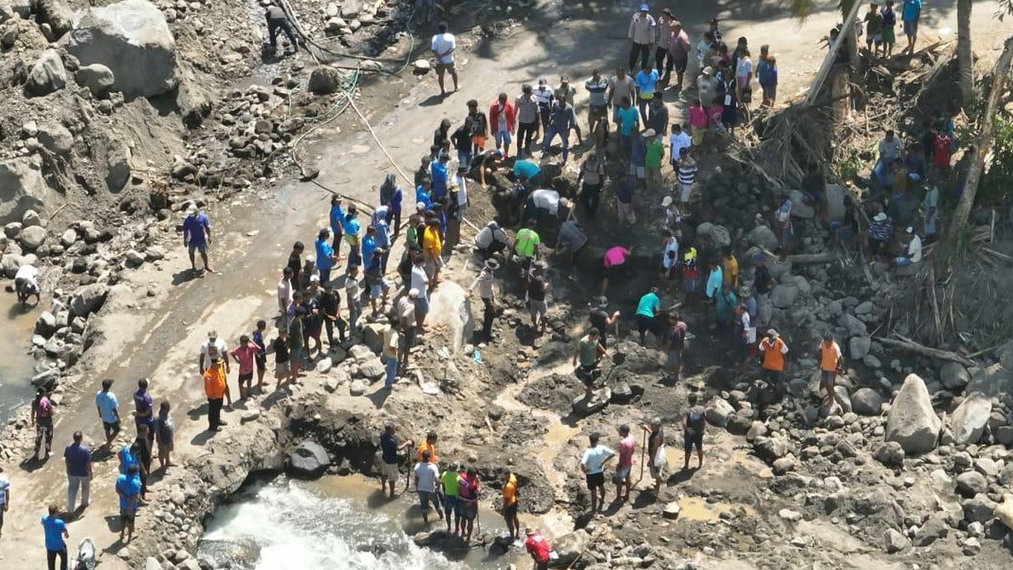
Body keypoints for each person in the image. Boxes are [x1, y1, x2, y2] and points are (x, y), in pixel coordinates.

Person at [580, 432, 615, 513]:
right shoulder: (601, 448)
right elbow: (613, 454)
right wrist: (603, 462)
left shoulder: (588, 451)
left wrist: (584, 471)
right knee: (601, 486)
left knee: (593, 491)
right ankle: (602, 500)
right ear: (597, 440)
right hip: (599, 471)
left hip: (591, 474)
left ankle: (593, 509)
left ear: (590, 441)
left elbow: (582, 464)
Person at [379, 425, 413, 499]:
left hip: (385, 459)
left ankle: (383, 488)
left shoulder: (382, 435)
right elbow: (399, 448)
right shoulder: (391, 441)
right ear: (388, 431)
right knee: (392, 479)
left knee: (384, 474)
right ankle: (391, 494)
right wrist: (407, 443)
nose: (394, 431)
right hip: (391, 462)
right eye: (392, 430)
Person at [542, 97, 580, 163]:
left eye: (562, 102)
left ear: (565, 101)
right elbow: (552, 114)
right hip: (554, 125)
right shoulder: (555, 104)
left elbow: (572, 120)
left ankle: (564, 158)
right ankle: (546, 152)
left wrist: (569, 130)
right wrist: (549, 123)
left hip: (563, 128)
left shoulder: (569, 108)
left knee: (565, 144)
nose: (560, 103)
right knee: (547, 139)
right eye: (560, 102)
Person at [469, 259, 499, 341]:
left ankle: (486, 329)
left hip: (490, 294)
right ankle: (486, 332)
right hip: (486, 295)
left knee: (489, 312)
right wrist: (470, 290)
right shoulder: (484, 273)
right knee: (493, 312)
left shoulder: (490, 272)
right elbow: (477, 280)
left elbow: (490, 282)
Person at [573, 329, 607, 399]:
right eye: (596, 337)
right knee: (589, 378)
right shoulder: (583, 342)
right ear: (591, 336)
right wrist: (574, 360)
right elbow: (576, 350)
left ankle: (589, 389)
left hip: (593, 361)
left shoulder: (595, 339)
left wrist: (605, 352)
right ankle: (589, 394)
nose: (597, 338)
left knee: (593, 376)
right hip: (585, 362)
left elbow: (598, 345)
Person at [64, 431, 91, 514]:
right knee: (85, 488)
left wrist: (68, 469)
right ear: (81, 439)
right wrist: (90, 473)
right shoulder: (85, 450)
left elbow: (67, 460)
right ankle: (84, 503)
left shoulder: (68, 448)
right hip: (83, 473)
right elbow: (88, 464)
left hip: (72, 472)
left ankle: (71, 508)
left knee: (72, 489)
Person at [414, 450, 443, 524]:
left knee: (423, 506)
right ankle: (442, 518)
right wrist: (438, 487)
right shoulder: (433, 466)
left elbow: (416, 478)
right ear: (429, 457)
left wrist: (417, 488)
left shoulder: (417, 466)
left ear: (422, 457)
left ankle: (426, 522)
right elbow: (437, 479)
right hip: (431, 490)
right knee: (437, 505)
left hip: (421, 489)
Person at [182, 204, 213, 273]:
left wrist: (209, 237)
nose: (191, 215)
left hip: (201, 239)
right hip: (191, 240)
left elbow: (207, 228)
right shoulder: (187, 220)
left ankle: (206, 266)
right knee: (191, 253)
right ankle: (193, 266)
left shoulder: (203, 218)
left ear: (196, 212)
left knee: (203, 253)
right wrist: (185, 240)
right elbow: (185, 231)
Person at [203, 356, 231, 432]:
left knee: (218, 409)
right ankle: (212, 426)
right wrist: (213, 397)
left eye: (220, 363)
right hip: (214, 397)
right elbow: (208, 389)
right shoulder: (208, 375)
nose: (220, 365)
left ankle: (217, 420)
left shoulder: (219, 368)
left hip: (220, 395)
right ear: (213, 364)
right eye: (218, 364)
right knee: (213, 411)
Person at [430, 22, 458, 95]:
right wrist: (443, 55)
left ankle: (442, 90)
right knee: (453, 72)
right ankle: (456, 88)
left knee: (440, 76)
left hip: (439, 61)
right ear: (446, 29)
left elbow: (433, 49)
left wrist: (439, 57)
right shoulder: (451, 36)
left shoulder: (435, 38)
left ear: (438, 29)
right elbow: (452, 49)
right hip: (449, 60)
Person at [115, 465, 141, 544]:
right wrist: (130, 505)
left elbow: (117, 489)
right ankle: (130, 536)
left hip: (123, 504)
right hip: (131, 506)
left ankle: (122, 533)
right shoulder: (136, 483)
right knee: (130, 521)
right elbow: (135, 496)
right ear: (135, 473)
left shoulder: (120, 478)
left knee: (123, 519)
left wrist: (124, 497)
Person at [628, 3, 656, 72]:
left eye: (645, 11)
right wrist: (630, 36)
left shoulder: (650, 19)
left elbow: (652, 32)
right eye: (643, 11)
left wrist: (652, 42)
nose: (644, 12)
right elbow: (632, 27)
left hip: (645, 42)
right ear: (640, 10)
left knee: (645, 57)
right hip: (636, 40)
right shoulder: (635, 16)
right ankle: (631, 68)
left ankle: (643, 70)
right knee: (633, 56)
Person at [819, 332, 844, 410]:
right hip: (824, 366)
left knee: (830, 384)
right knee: (824, 382)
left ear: (831, 341)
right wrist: (819, 361)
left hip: (832, 368)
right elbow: (820, 350)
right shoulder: (822, 343)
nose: (826, 343)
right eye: (825, 341)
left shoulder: (835, 347)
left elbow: (841, 358)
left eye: (827, 342)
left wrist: (841, 367)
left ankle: (831, 399)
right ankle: (829, 395)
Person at [93, 379, 120, 449]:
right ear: (110, 386)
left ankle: (109, 441)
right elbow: (114, 408)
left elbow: (98, 405)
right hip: (111, 417)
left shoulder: (98, 394)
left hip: (104, 415)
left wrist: (100, 413)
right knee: (117, 430)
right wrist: (118, 418)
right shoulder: (111, 396)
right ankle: (109, 442)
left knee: (107, 430)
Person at [230, 335, 258, 400]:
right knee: (240, 383)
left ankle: (249, 392)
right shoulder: (238, 350)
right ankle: (242, 396)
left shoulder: (251, 348)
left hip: (250, 368)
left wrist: (251, 341)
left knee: (249, 381)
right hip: (242, 370)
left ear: (247, 343)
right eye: (241, 343)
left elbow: (258, 349)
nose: (242, 344)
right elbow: (232, 353)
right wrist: (236, 360)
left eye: (244, 343)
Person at [578, 152, 606, 216]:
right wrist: (578, 181)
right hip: (586, 185)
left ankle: (593, 214)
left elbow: (601, 178)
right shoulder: (585, 164)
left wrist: (601, 188)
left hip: (596, 186)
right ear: (588, 160)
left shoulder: (599, 166)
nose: (592, 163)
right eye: (590, 161)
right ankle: (588, 211)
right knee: (584, 199)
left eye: (593, 161)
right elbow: (581, 173)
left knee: (595, 201)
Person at [641, 417, 665, 494]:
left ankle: (657, 489)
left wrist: (651, 460)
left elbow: (654, 450)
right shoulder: (658, 431)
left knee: (657, 472)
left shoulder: (657, 438)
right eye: (651, 425)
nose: (651, 426)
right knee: (656, 472)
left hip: (656, 457)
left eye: (653, 425)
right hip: (657, 454)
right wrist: (647, 429)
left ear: (657, 426)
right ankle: (657, 485)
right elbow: (652, 433)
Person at [682, 393, 705, 470]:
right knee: (699, 448)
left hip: (689, 434)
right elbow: (703, 421)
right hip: (698, 432)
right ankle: (700, 463)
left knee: (688, 450)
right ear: (696, 400)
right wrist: (703, 430)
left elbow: (684, 423)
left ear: (689, 401)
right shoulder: (701, 409)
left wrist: (687, 430)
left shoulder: (686, 411)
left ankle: (686, 465)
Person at [42, 503, 69, 570]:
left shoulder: (44, 519)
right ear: (55, 513)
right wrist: (66, 533)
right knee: (64, 559)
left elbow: (43, 525)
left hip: (49, 546)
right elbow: (65, 533)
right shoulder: (60, 522)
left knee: (51, 564)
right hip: (59, 546)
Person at [585, 69, 611, 138]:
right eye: (595, 75)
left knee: (605, 118)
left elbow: (604, 88)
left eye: (598, 75)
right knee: (592, 119)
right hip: (593, 103)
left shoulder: (605, 80)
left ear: (600, 74)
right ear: (593, 75)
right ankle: (591, 132)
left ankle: (606, 131)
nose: (596, 77)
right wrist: (596, 90)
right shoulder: (588, 81)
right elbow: (588, 88)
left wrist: (595, 90)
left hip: (603, 103)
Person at [489, 93, 516, 158]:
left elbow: (512, 116)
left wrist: (513, 127)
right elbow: (491, 117)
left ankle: (506, 154)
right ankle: (499, 153)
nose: (504, 102)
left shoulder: (509, 105)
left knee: (507, 140)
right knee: (498, 141)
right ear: (499, 100)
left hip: (506, 126)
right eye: (503, 101)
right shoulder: (494, 106)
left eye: (505, 101)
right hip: (497, 126)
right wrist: (492, 128)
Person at [614, 424, 636, 503]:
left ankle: (618, 498)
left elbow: (622, 456)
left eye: (620, 431)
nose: (619, 432)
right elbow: (633, 449)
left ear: (623, 432)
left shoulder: (623, 443)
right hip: (630, 461)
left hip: (624, 464)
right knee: (627, 477)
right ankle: (627, 495)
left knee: (619, 481)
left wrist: (619, 465)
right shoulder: (631, 437)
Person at [526, 264, 550, 334]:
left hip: (531, 298)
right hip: (540, 300)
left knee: (533, 314)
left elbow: (527, 287)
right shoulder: (539, 278)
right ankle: (543, 328)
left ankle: (535, 326)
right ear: (540, 270)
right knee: (543, 314)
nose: (544, 271)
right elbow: (543, 290)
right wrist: (546, 285)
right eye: (543, 269)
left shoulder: (531, 276)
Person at [458, 467, 480, 541]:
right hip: (470, 504)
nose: (475, 477)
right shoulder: (472, 485)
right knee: (470, 521)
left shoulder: (461, 478)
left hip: (461, 502)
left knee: (463, 518)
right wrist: (478, 484)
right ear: (471, 476)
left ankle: (463, 533)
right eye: (474, 476)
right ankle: (468, 538)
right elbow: (477, 492)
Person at [440, 462, 463, 535]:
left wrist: (444, 493)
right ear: (456, 469)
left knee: (447, 513)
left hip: (447, 496)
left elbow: (443, 484)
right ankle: (456, 528)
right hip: (456, 497)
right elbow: (460, 489)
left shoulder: (444, 474)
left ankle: (449, 528)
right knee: (457, 514)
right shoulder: (458, 477)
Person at [664, 313, 688, 380]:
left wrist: (666, 349)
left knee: (674, 361)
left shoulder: (673, 330)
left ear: (672, 319)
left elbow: (669, 341)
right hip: (681, 345)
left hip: (674, 347)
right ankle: (678, 373)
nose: (668, 320)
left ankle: (676, 376)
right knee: (679, 359)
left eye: (669, 318)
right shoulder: (683, 324)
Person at [667, 20, 691, 88]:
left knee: (680, 72)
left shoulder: (682, 37)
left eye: (672, 27)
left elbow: (688, 48)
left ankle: (679, 86)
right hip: (675, 56)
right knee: (677, 70)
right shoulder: (674, 33)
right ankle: (678, 84)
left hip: (681, 58)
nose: (671, 28)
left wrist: (686, 45)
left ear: (677, 28)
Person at [33, 387, 55, 459]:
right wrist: (53, 410)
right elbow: (51, 413)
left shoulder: (34, 402)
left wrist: (32, 421)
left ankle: (36, 453)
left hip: (39, 422)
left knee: (39, 437)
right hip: (48, 422)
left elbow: (32, 412)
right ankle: (47, 453)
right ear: (43, 393)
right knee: (48, 437)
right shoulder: (46, 401)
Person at [154, 400, 174, 470]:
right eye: (168, 408)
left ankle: (168, 462)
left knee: (168, 450)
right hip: (162, 438)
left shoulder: (167, 414)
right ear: (163, 409)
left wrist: (171, 437)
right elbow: (157, 432)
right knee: (162, 452)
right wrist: (160, 442)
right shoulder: (158, 418)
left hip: (169, 437)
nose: (169, 409)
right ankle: (162, 466)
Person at [381, 315, 400, 390]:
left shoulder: (387, 327)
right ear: (397, 325)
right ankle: (388, 384)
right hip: (391, 354)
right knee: (391, 368)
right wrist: (395, 353)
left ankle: (392, 377)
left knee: (390, 366)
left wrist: (383, 339)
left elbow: (378, 331)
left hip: (385, 350)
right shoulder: (394, 334)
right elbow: (392, 345)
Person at [501, 470, 520, 541]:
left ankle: (512, 536)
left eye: (504, 475)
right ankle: (517, 532)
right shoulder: (513, 477)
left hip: (509, 504)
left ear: (507, 475)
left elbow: (507, 500)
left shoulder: (508, 487)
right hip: (515, 500)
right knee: (515, 517)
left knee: (509, 520)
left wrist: (503, 508)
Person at [0, 465, 9, 540]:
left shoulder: (3, 479)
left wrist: (6, 504)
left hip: (1, 502)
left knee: (0, 518)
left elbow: (7, 491)